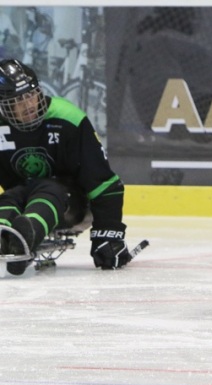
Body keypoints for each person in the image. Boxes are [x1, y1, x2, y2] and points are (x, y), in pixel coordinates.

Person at [0, 59, 130, 276]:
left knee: (51, 190)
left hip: (72, 200)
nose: (29, 104)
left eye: (31, 95)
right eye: (19, 100)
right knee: (11, 198)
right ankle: (7, 240)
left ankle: (27, 234)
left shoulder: (68, 119)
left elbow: (104, 183)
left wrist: (108, 235)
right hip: (25, 192)